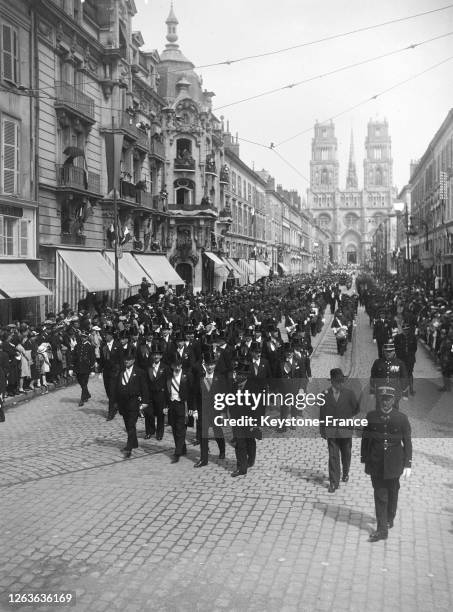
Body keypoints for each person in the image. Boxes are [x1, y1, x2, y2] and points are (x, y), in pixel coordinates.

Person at [361, 385, 412, 542]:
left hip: (395, 461)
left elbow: (407, 442)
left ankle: (390, 517)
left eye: (388, 399)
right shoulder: (371, 416)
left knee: (393, 491)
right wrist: (364, 458)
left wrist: (408, 464)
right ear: (379, 399)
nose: (385, 402)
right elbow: (365, 438)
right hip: (376, 461)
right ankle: (382, 529)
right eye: (382, 399)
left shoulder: (401, 418)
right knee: (380, 494)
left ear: (394, 400)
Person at [320, 368, 359, 492]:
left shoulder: (349, 394)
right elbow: (322, 413)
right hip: (331, 431)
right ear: (331, 382)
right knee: (333, 456)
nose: (339, 384)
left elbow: (356, 409)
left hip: (346, 430)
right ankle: (333, 482)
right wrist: (322, 429)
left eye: (341, 381)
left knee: (346, 454)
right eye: (336, 382)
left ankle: (345, 472)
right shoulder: (325, 394)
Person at [193, 346, 226, 467]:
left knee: (217, 431)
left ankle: (222, 450)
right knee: (203, 434)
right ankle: (204, 459)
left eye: (212, 364)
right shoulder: (200, 377)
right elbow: (195, 394)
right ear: (204, 365)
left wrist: (223, 412)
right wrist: (195, 410)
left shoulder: (220, 378)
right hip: (203, 411)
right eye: (208, 364)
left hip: (216, 410)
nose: (210, 367)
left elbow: (223, 396)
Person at [115, 347, 149, 458]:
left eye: (129, 359)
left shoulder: (139, 372)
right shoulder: (121, 371)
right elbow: (116, 387)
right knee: (127, 423)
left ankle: (129, 447)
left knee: (131, 425)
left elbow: (144, 388)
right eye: (125, 359)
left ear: (133, 360)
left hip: (134, 402)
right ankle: (134, 442)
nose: (126, 361)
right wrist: (115, 402)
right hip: (123, 403)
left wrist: (145, 401)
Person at [165, 355, 192, 463]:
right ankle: (182, 447)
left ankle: (177, 452)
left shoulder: (187, 375)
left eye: (178, 365)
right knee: (174, 428)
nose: (177, 367)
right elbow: (166, 392)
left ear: (181, 365)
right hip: (172, 404)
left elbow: (191, 392)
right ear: (172, 366)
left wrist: (192, 407)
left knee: (180, 428)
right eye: (174, 365)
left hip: (182, 404)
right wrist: (165, 406)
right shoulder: (168, 376)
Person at [145, 339, 169, 440]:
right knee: (148, 413)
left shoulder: (165, 367)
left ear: (161, 356)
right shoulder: (148, 367)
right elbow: (145, 382)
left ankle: (159, 433)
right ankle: (150, 431)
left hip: (161, 394)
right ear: (151, 356)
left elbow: (167, 383)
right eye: (154, 354)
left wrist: (167, 400)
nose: (156, 356)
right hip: (150, 394)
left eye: (158, 354)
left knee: (160, 414)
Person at [99, 326, 124, 420]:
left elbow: (121, 359)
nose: (106, 336)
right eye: (105, 334)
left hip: (116, 372)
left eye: (108, 334)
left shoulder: (118, 345)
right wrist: (100, 370)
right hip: (106, 372)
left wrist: (122, 372)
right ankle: (115, 405)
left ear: (112, 336)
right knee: (108, 391)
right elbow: (102, 360)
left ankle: (111, 412)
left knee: (113, 391)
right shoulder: (103, 346)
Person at [71, 326, 95, 407]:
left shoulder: (90, 346)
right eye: (82, 337)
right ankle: (87, 394)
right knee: (81, 383)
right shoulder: (77, 345)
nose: (83, 338)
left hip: (86, 368)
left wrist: (92, 369)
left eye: (85, 337)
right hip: (78, 367)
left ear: (87, 337)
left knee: (84, 383)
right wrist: (71, 367)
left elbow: (92, 358)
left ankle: (82, 399)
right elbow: (74, 357)